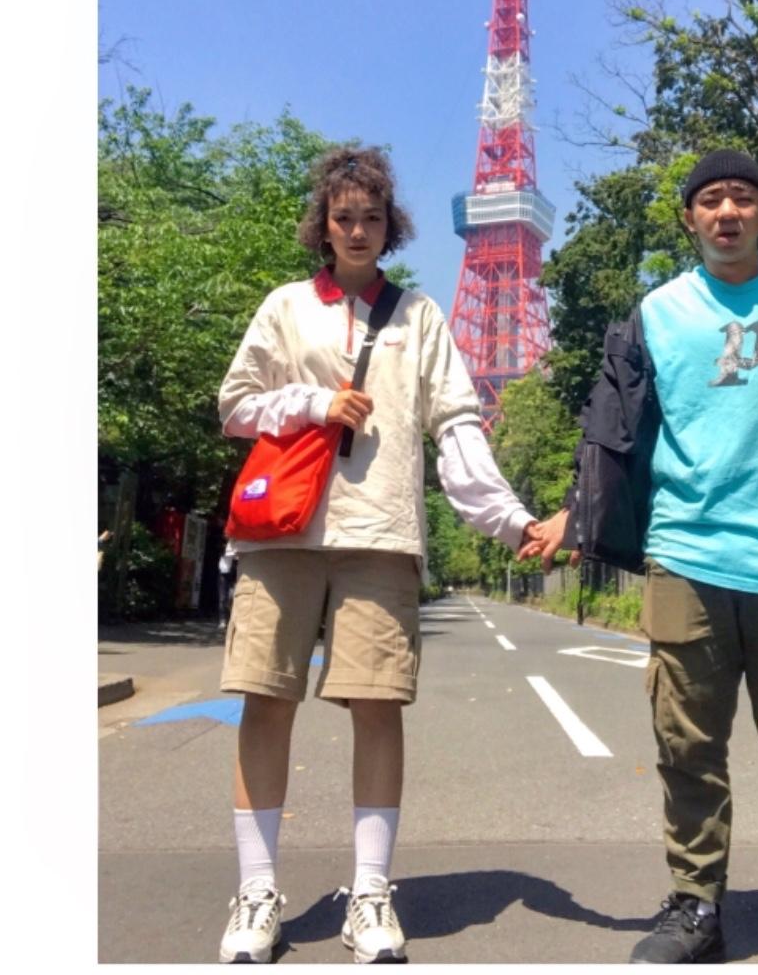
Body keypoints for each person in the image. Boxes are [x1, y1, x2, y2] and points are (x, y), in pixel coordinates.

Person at [522, 150, 758, 964]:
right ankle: (695, 906)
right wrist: (579, 512)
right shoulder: (655, 314)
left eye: (744, 198)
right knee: (687, 747)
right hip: (685, 554)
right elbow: (612, 427)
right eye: (712, 199)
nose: (728, 212)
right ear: (690, 217)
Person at [215, 145, 542, 964]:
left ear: (389, 226)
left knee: (377, 706)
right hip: (283, 533)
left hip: (382, 533)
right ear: (323, 226)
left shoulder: (419, 316)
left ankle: (370, 892)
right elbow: (236, 406)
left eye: (370, 218)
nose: (357, 231)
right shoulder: (286, 306)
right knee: (266, 701)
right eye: (343, 217)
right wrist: (314, 401)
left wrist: (509, 521)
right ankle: (257, 892)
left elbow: (457, 422)